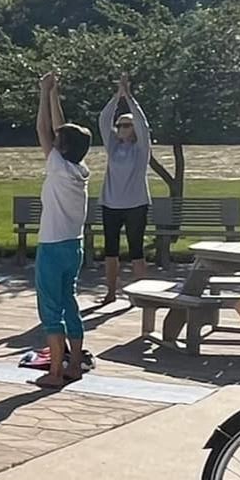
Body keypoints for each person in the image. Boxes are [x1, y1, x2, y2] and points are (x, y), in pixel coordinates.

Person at [33, 71, 92, 389]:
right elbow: (59, 131)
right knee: (70, 302)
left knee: (51, 309)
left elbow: (43, 129)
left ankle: (55, 372)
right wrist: (55, 94)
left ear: (61, 148)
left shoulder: (56, 165)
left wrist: (43, 94)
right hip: (74, 246)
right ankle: (74, 366)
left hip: (53, 247)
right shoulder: (80, 168)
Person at [99, 74, 152, 306]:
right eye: (119, 125)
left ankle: (142, 296)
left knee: (136, 250)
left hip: (135, 205)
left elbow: (143, 124)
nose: (121, 128)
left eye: (126, 125)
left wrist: (130, 99)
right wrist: (116, 96)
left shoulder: (141, 150)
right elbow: (103, 120)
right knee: (111, 250)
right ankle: (111, 291)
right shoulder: (112, 147)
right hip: (110, 204)